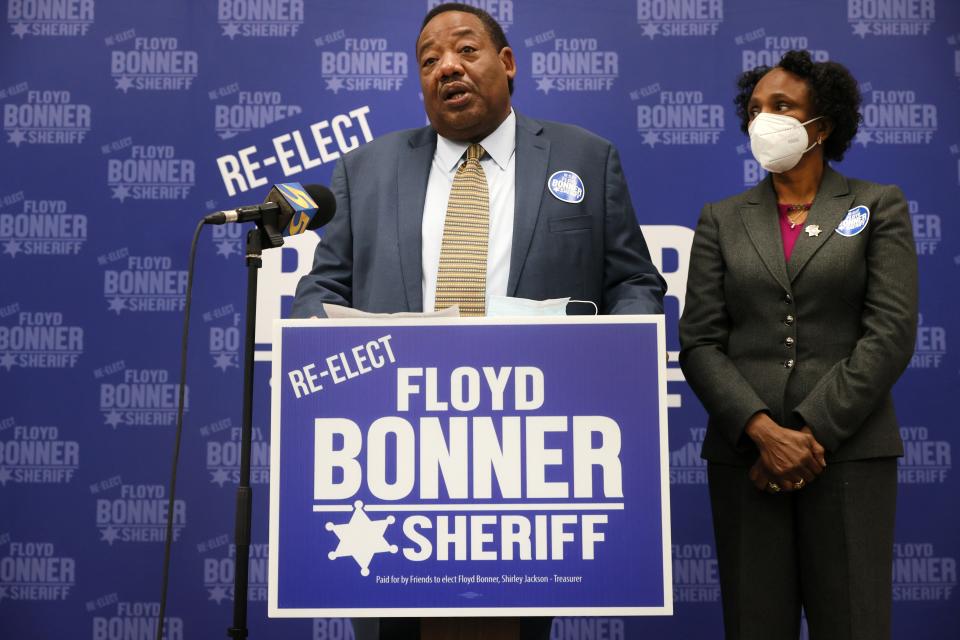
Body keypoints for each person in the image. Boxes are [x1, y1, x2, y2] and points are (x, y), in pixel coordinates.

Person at [292, 3, 666, 639]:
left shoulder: (586, 156)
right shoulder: (367, 169)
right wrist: (325, 356)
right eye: (429, 59)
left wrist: (615, 360)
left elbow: (633, 282)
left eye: (465, 50)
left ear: (508, 63)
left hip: (524, 458)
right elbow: (322, 287)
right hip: (395, 458)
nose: (447, 67)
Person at [679, 50, 918, 640]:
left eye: (781, 107)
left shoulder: (877, 204)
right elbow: (700, 341)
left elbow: (890, 332)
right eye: (756, 109)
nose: (764, 119)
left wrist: (808, 436)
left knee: (854, 624)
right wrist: (763, 432)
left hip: (849, 456)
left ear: (823, 124)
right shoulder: (721, 219)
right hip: (747, 463)